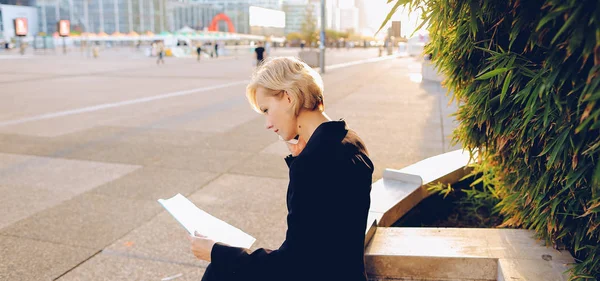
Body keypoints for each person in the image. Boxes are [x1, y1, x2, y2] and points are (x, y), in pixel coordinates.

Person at [188, 57, 374, 281]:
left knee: (219, 270)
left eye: (266, 109)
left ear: (288, 97)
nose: (267, 123)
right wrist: (301, 158)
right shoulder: (350, 140)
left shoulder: (312, 164)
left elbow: (291, 265)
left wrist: (215, 252)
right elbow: (325, 232)